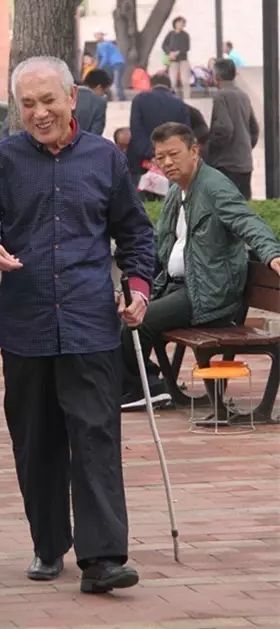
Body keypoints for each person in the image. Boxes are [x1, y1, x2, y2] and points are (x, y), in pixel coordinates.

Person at [0, 56, 155, 594]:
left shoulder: (105, 158)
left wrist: (138, 288)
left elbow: (136, 232)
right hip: (27, 323)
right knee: (35, 442)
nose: (40, 112)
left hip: (90, 322)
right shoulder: (2, 161)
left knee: (96, 439)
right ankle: (48, 543)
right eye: (28, 104)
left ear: (71, 98)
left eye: (48, 100)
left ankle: (103, 558)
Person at [120, 122, 280, 411]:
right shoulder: (175, 191)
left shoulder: (214, 187)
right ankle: (144, 383)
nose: (167, 163)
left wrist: (272, 254)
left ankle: (145, 388)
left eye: (174, 154)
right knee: (120, 313)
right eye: (160, 157)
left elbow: (248, 221)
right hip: (178, 286)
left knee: (139, 321)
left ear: (194, 151)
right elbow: (159, 243)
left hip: (208, 295)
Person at [206, 58, 259, 200]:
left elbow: (224, 129)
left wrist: (211, 151)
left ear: (216, 76)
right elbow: (254, 130)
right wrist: (243, 148)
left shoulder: (221, 96)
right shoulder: (243, 95)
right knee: (242, 206)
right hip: (244, 163)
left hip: (226, 165)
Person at [127, 73, 190, 184]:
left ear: (151, 85)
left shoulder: (139, 100)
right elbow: (185, 134)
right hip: (171, 160)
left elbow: (136, 130)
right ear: (169, 86)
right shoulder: (180, 104)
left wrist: (151, 154)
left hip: (142, 160)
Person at [162, 16, 191, 100]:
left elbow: (187, 47)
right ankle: (172, 98)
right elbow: (164, 45)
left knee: (185, 80)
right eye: (179, 22)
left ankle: (187, 98)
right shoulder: (170, 34)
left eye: (182, 23)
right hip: (173, 60)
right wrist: (169, 53)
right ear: (175, 23)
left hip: (183, 59)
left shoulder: (185, 35)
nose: (180, 24)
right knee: (172, 81)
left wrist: (178, 52)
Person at [74, 69, 111, 135]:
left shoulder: (69, 95)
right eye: (104, 91)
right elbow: (96, 133)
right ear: (99, 87)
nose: (104, 94)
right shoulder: (100, 102)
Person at [94, 28, 126, 101]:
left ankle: (121, 99)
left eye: (98, 34)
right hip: (119, 64)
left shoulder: (104, 45)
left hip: (116, 64)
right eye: (95, 35)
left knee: (116, 82)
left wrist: (99, 68)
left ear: (102, 35)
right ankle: (121, 97)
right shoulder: (103, 45)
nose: (96, 36)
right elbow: (97, 57)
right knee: (116, 82)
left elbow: (105, 58)